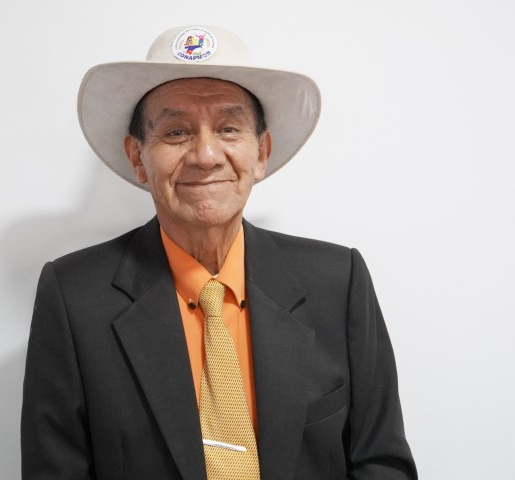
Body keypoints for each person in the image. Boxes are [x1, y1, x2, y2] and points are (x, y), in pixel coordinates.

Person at [21, 25, 417, 480]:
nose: (206, 155)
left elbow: (381, 462)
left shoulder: (338, 281)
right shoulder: (74, 296)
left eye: (229, 128)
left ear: (261, 152)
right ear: (137, 158)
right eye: (176, 132)